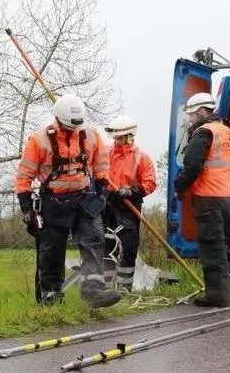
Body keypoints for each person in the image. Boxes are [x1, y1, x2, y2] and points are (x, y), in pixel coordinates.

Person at [15, 93, 122, 309]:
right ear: (58, 119)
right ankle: (51, 295)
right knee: (52, 249)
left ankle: (94, 290)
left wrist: (102, 189)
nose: (74, 131)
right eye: (69, 127)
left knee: (94, 241)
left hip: (85, 198)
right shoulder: (39, 140)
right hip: (53, 202)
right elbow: (24, 175)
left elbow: (101, 165)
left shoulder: (91, 136)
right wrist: (26, 206)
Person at [174, 92, 230, 307]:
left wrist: (179, 187)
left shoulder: (204, 133)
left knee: (210, 247)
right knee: (220, 247)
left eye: (192, 114)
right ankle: (220, 293)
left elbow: (192, 167)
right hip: (228, 198)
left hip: (208, 198)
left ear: (202, 112)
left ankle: (216, 296)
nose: (190, 119)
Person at [102, 115, 157, 292]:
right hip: (106, 205)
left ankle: (125, 291)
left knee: (128, 249)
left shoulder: (142, 158)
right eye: (115, 137)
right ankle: (105, 290)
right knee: (105, 248)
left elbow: (150, 183)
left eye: (119, 137)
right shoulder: (105, 153)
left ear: (129, 136)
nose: (116, 141)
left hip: (128, 208)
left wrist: (132, 191)